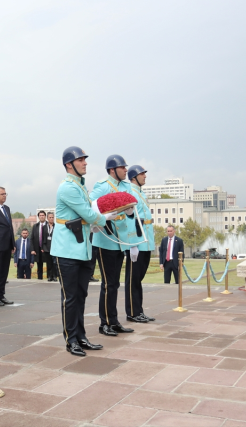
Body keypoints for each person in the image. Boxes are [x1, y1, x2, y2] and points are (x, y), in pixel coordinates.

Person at [51, 147, 111, 356]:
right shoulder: (68, 187)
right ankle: (71, 340)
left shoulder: (80, 186)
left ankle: (81, 336)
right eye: (80, 160)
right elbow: (88, 213)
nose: (85, 163)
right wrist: (108, 218)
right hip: (67, 250)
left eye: (85, 160)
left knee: (81, 296)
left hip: (82, 248)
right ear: (69, 165)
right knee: (70, 297)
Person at [90, 154, 136, 337]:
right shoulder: (101, 186)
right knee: (108, 283)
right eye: (122, 167)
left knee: (115, 283)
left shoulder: (126, 186)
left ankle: (114, 321)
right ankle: (105, 323)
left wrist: (131, 212)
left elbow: (131, 213)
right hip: (105, 239)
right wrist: (102, 218)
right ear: (112, 170)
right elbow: (91, 205)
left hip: (120, 241)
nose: (126, 169)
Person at [123, 165, 156, 323]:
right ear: (134, 177)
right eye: (142, 174)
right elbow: (130, 221)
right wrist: (133, 244)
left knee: (138, 278)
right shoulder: (130, 192)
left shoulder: (140, 192)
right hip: (137, 241)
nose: (145, 176)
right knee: (133, 279)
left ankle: (139, 310)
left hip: (145, 240)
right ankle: (132, 313)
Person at [31, 211, 49, 280]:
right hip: (37, 249)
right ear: (38, 217)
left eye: (43, 215)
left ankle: (49, 279)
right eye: (40, 215)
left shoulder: (49, 225)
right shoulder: (35, 226)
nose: (41, 216)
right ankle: (39, 280)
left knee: (49, 265)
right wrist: (32, 249)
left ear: (45, 216)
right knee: (39, 265)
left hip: (47, 249)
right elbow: (32, 238)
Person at [44, 212, 57, 281]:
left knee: (54, 263)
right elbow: (42, 238)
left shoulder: (56, 226)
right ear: (47, 218)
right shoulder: (44, 227)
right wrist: (43, 247)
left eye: (52, 217)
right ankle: (49, 276)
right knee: (49, 263)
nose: (51, 219)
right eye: (50, 217)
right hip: (47, 248)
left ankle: (54, 276)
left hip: (54, 248)